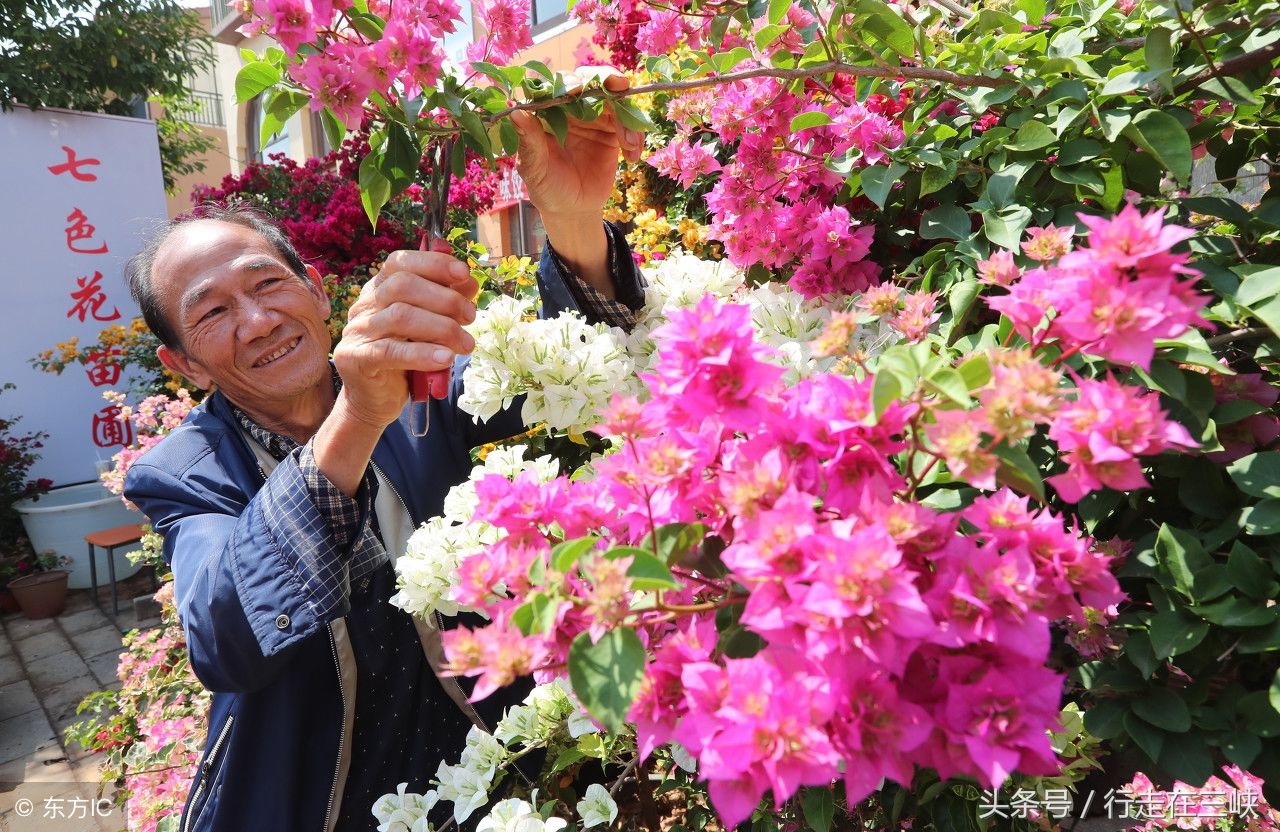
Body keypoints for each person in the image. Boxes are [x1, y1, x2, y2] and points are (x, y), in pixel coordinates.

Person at [122, 73, 647, 832]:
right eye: (212, 314)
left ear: (317, 291)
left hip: (496, 772)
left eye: (268, 283)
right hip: (326, 797)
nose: (259, 320)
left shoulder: (428, 386)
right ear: (187, 366)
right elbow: (225, 639)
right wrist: (360, 416)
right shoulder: (185, 472)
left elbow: (591, 368)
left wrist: (572, 222)